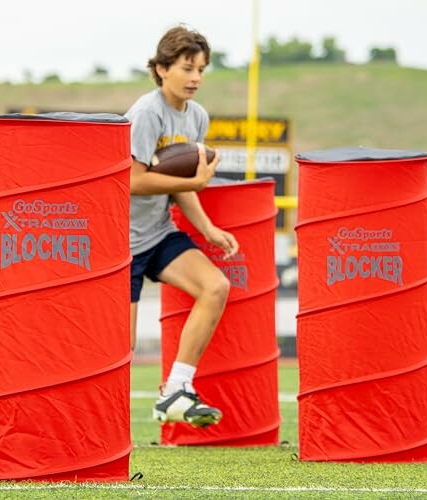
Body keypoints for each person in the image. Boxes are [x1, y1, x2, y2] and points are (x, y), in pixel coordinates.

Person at [125, 25, 239, 427]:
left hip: (156, 232)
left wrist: (206, 228)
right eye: (187, 68)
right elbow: (133, 180)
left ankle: (176, 389)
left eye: (202, 70)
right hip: (120, 244)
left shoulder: (198, 117)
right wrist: (192, 183)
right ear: (161, 69)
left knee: (215, 286)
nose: (195, 78)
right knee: (122, 346)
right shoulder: (145, 113)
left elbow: (182, 186)